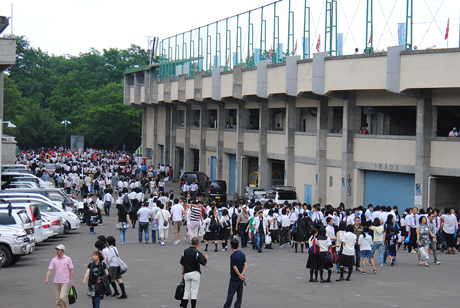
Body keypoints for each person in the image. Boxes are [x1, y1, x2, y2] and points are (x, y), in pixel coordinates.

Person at [180, 237, 208, 308]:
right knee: (194, 292)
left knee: (186, 292)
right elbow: (204, 263)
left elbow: (183, 263)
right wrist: (206, 257)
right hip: (195, 273)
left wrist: (183, 273)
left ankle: (184, 306)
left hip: (187, 273)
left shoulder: (185, 251)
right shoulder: (197, 252)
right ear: (197, 244)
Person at [223, 238, 247, 308]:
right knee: (239, 295)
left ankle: (227, 306)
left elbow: (234, 267)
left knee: (230, 295)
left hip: (234, 278)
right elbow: (245, 264)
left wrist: (239, 275)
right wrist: (242, 274)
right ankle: (237, 306)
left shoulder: (233, 256)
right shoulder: (242, 253)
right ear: (238, 245)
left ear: (231, 246)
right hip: (241, 278)